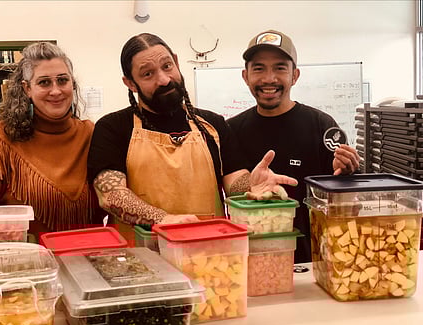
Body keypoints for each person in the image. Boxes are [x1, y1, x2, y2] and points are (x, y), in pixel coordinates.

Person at [87, 33, 297, 240]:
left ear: (176, 62)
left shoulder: (212, 125)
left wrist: (251, 184)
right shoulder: (113, 128)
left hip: (211, 256)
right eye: (147, 74)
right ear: (130, 83)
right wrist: (163, 219)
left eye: (167, 66)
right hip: (140, 264)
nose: (164, 79)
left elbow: (234, 181)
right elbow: (111, 195)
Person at [0, 42, 103, 274]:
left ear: (72, 84)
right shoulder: (0, 140)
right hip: (23, 280)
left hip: (88, 274)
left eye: (62, 80)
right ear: (26, 88)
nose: (56, 90)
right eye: (44, 82)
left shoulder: (92, 135)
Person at [227, 30, 360, 263]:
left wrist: (346, 173)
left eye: (280, 68)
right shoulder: (231, 130)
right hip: (249, 259)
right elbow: (232, 188)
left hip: (313, 260)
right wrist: (252, 184)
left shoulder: (321, 125)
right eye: (259, 68)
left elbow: (347, 205)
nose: (269, 78)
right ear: (245, 76)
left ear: (295, 75)